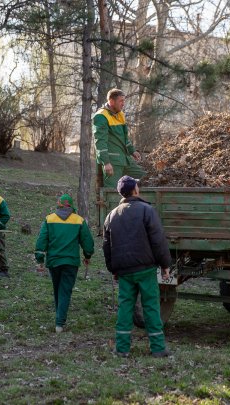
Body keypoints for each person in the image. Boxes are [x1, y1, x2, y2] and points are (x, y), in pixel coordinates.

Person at [103, 176, 171, 358]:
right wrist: (165, 264)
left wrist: (114, 270)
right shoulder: (146, 210)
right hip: (146, 269)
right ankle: (158, 348)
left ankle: (122, 348)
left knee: (125, 308)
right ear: (135, 190)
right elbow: (158, 241)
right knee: (151, 307)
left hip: (124, 272)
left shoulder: (111, 215)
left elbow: (107, 247)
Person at [35, 194, 94, 333]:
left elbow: (41, 240)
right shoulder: (79, 220)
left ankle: (59, 318)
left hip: (54, 261)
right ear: (71, 206)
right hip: (71, 262)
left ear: (59, 204)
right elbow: (87, 242)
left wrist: (40, 259)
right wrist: (87, 255)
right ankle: (60, 322)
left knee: (57, 289)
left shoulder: (49, 219)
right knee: (65, 291)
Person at [93, 88, 146, 188]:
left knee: (145, 177)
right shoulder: (100, 116)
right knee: (112, 192)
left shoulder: (120, 114)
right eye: (121, 101)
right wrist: (106, 163)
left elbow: (124, 137)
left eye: (124, 101)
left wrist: (132, 151)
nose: (123, 104)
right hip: (112, 162)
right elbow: (100, 142)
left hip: (125, 159)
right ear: (111, 101)